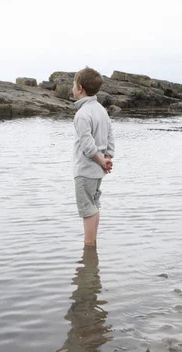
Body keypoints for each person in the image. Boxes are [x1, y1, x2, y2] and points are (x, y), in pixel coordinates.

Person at [72, 67, 114, 247]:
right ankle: (92, 244)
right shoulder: (101, 110)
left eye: (73, 85)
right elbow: (110, 133)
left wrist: (101, 160)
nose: (72, 88)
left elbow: (88, 146)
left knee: (87, 209)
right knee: (94, 206)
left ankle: (89, 246)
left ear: (80, 88)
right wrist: (108, 156)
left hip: (86, 170)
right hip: (98, 171)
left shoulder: (82, 114)